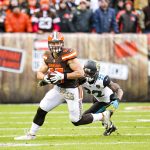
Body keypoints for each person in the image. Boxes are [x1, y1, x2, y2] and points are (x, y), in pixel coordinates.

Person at [14, 32, 112, 140]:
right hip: (58, 89)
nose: (55, 45)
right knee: (42, 109)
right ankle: (31, 134)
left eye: (58, 43)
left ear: (62, 44)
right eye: (53, 43)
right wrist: (45, 78)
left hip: (72, 89)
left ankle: (103, 116)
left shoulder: (68, 55)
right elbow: (39, 73)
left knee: (76, 120)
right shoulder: (48, 56)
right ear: (49, 44)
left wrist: (62, 76)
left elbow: (80, 73)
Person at [79, 60, 123, 136]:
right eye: (85, 71)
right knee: (98, 115)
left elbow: (119, 90)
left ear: (96, 72)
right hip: (97, 98)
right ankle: (110, 126)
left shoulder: (103, 79)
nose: (87, 75)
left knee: (85, 117)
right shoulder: (80, 77)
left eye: (90, 73)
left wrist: (117, 100)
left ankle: (110, 125)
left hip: (107, 100)